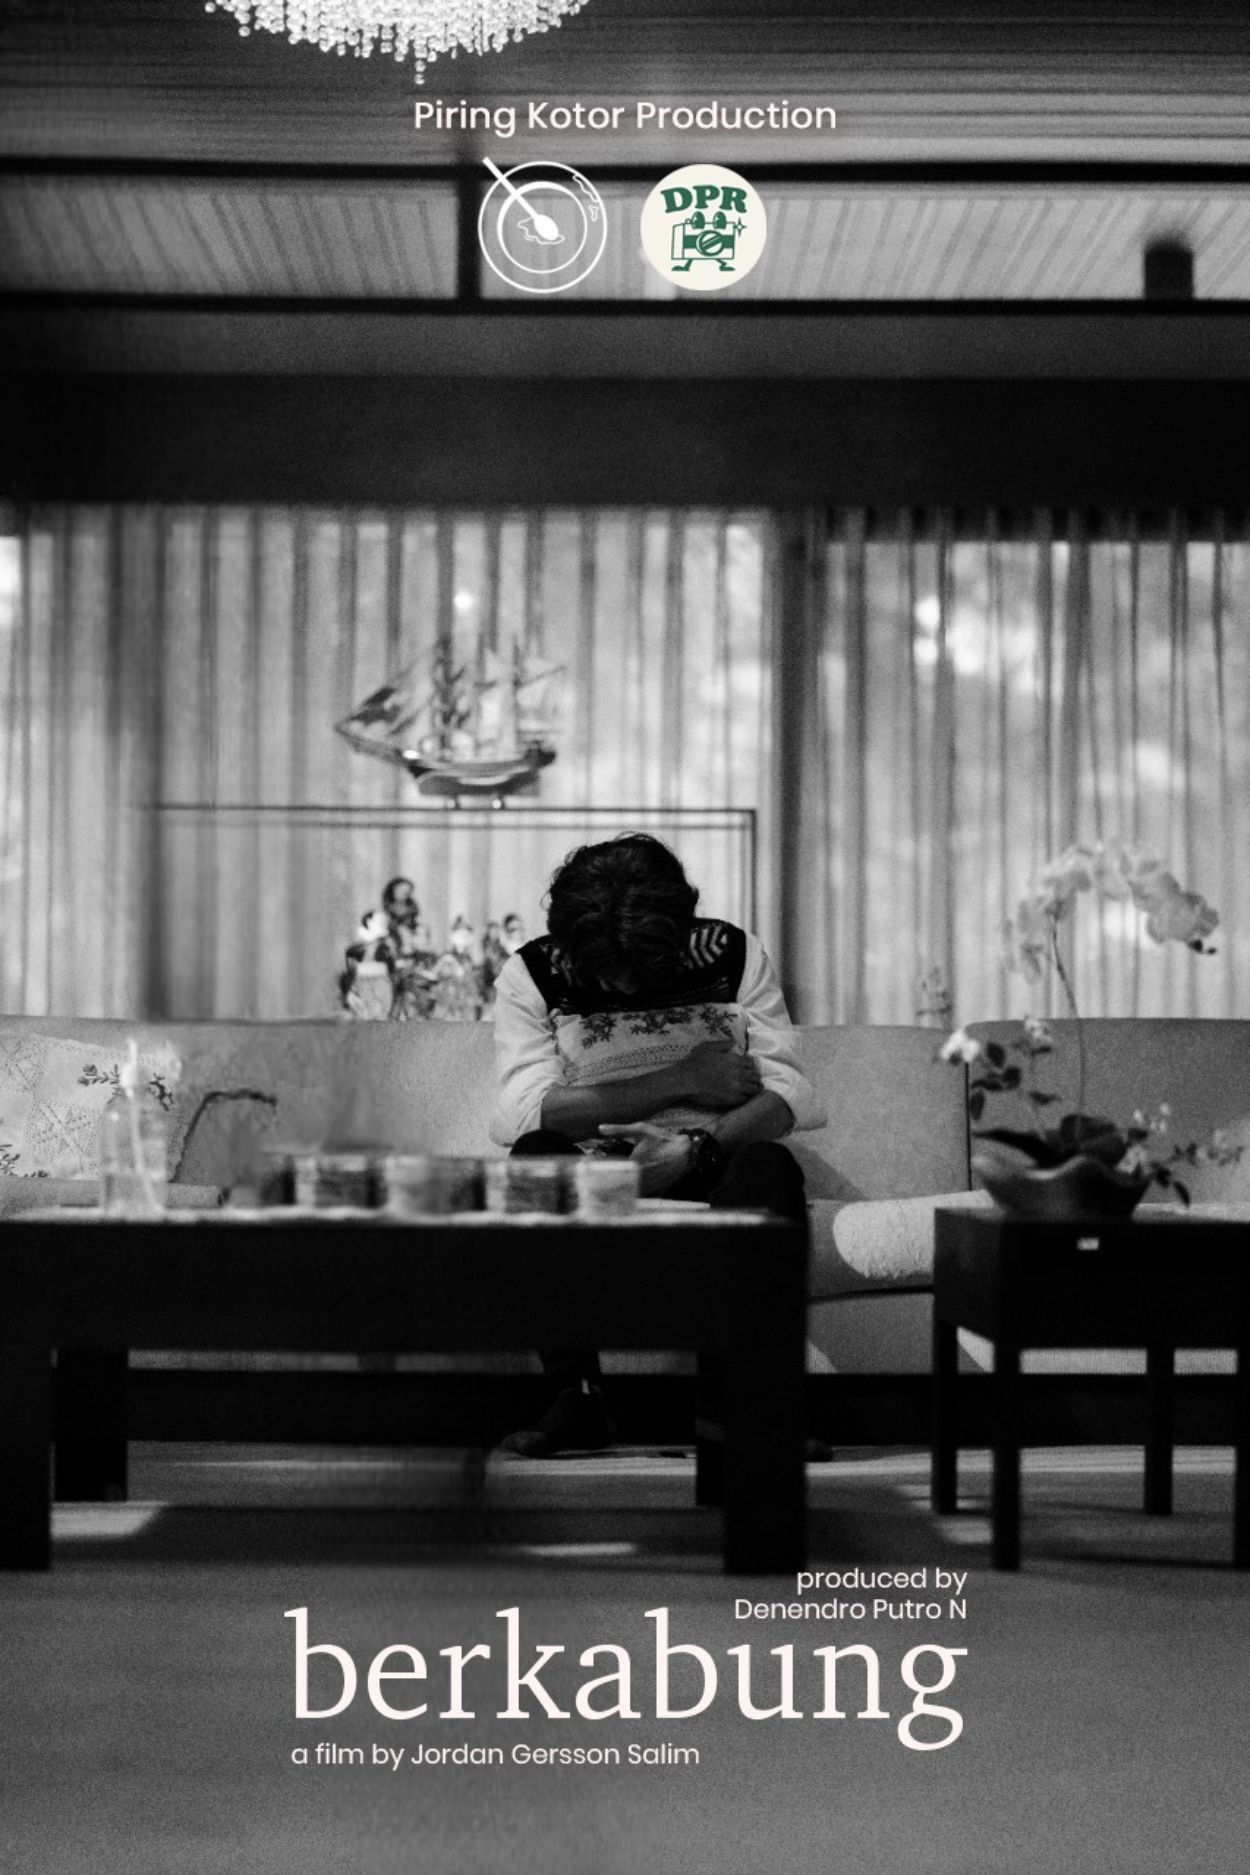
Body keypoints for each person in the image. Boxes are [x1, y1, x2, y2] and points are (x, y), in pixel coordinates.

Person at [488, 833, 826, 1457]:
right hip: (598, 1172)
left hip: (715, 1158)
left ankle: (745, 1408)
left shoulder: (732, 955)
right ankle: (577, 1398)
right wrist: (680, 1078)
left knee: (770, 1167)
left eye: (639, 971)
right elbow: (525, 1112)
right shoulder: (532, 972)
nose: (621, 987)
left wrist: (693, 1148)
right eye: (605, 974)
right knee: (534, 1158)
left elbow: (788, 1095)